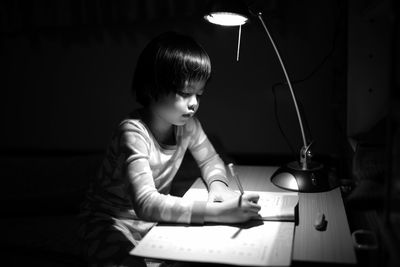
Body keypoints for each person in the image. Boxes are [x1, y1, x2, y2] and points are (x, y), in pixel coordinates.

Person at [78, 31, 261, 267]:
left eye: (199, 93)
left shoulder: (189, 127)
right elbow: (145, 203)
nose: (194, 103)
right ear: (152, 87)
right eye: (185, 93)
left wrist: (218, 188)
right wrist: (219, 213)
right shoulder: (132, 133)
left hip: (152, 223)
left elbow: (211, 162)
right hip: (108, 222)